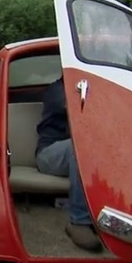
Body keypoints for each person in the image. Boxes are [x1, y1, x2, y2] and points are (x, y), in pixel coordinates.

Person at [35, 76, 103, 252]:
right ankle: (79, 221)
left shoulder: (97, 88)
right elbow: (79, 108)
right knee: (80, 145)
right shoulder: (57, 90)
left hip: (82, 155)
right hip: (49, 154)